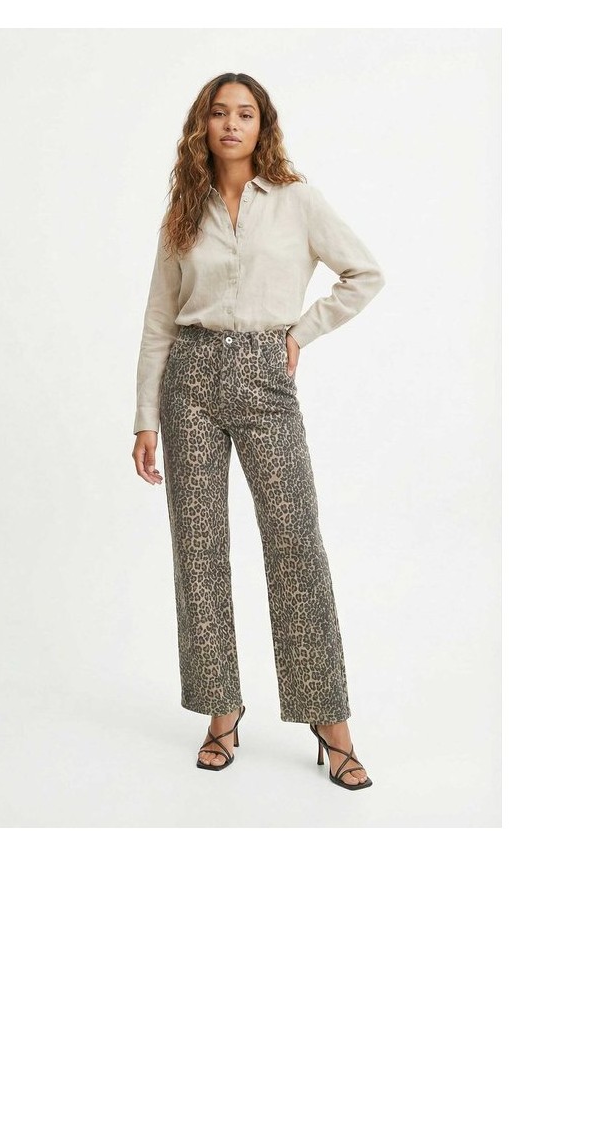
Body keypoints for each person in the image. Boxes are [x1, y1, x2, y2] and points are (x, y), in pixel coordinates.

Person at [131, 72, 385, 791]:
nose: (232, 124)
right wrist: (145, 416)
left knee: (295, 543)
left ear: (262, 125)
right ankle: (221, 709)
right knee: (199, 549)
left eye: (245, 113)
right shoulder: (185, 209)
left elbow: (363, 274)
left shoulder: (297, 200)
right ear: (203, 125)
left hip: (266, 376)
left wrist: (300, 333)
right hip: (189, 381)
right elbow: (158, 317)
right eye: (220, 113)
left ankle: (330, 723)